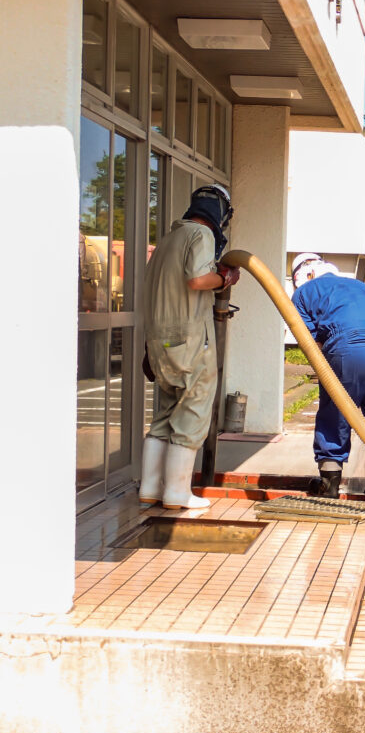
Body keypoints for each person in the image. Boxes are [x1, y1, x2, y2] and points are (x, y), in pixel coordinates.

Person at [290, 253, 365, 539]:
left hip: (347, 346)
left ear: (301, 277)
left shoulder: (304, 293)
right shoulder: (360, 285)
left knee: (336, 412)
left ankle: (329, 486)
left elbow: (310, 344)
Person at [138, 184, 240, 509]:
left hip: (160, 343)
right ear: (221, 213)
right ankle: (177, 493)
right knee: (194, 411)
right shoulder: (201, 235)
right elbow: (197, 279)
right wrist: (225, 278)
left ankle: (150, 488)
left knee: (165, 415)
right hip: (191, 343)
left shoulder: (167, 240)